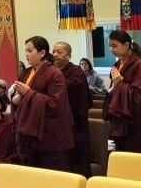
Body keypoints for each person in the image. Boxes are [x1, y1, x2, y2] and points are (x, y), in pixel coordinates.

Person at [10, 36, 74, 171]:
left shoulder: (54, 73)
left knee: (49, 175)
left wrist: (29, 93)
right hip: (28, 133)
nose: (26, 54)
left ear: (42, 53)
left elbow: (55, 104)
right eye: (25, 51)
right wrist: (16, 98)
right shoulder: (27, 73)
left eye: (30, 51)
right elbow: (17, 99)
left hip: (49, 136)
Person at [103, 30, 141, 154]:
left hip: (137, 124)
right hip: (121, 122)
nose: (111, 49)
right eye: (109, 46)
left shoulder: (140, 65)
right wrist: (113, 88)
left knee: (138, 160)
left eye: (114, 46)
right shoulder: (118, 64)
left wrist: (120, 83)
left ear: (126, 45)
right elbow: (114, 90)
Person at [53, 41, 92, 178]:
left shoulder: (76, 71)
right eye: (54, 52)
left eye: (60, 52)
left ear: (69, 55)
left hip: (75, 123)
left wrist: (55, 82)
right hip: (58, 124)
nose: (55, 55)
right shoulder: (52, 70)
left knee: (76, 160)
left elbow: (75, 90)